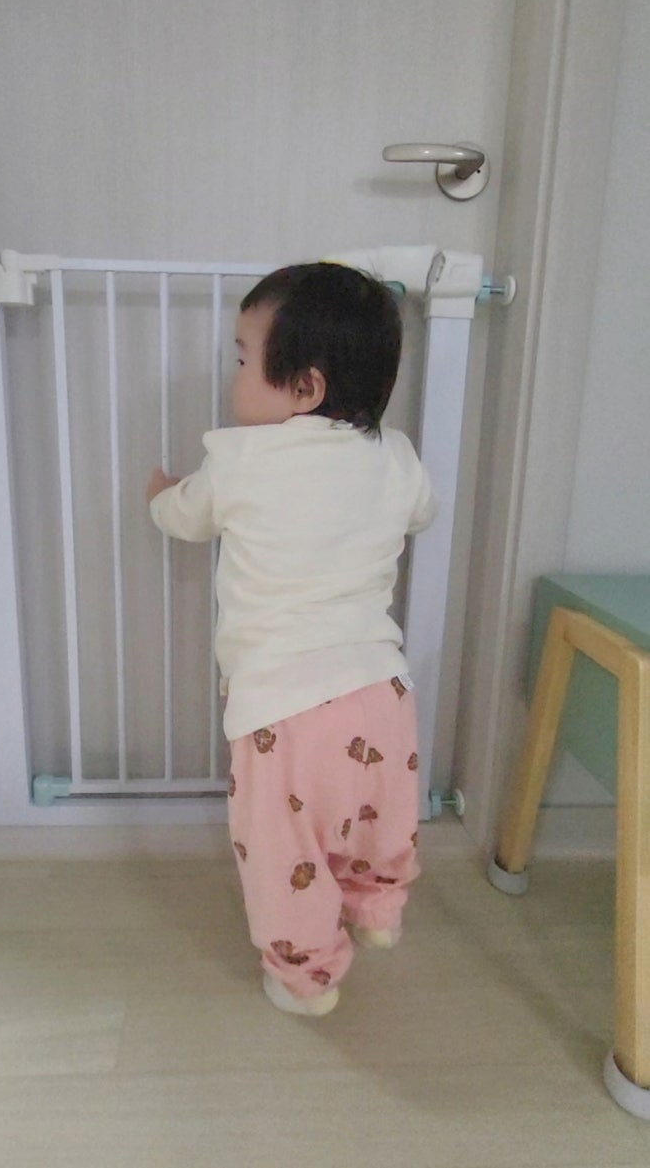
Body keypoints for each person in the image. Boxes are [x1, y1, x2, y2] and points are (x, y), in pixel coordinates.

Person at [147, 262, 436, 1016]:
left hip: (284, 712)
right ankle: (377, 911)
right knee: (375, 818)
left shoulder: (241, 461)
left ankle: (306, 981)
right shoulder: (396, 455)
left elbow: (184, 516)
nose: (233, 376)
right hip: (383, 692)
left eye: (242, 359)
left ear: (304, 387)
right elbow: (422, 510)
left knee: (286, 855)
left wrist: (160, 494)